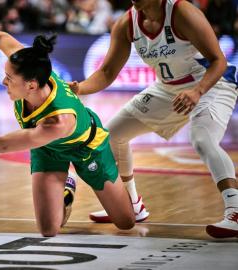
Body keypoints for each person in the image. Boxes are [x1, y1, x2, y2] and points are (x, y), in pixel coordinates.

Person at [0, 31, 136, 236]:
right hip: (47, 148)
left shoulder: (58, 121)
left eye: (9, 78)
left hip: (87, 149)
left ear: (31, 85)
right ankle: (66, 188)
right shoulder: (29, 66)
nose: (4, 81)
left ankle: (101, 187)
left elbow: (0, 144)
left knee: (126, 223)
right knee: (49, 230)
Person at [69, 0, 238, 238]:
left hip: (212, 83)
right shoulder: (127, 23)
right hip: (168, 88)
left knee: (202, 139)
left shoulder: (182, 12)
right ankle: (131, 203)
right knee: (112, 136)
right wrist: (79, 88)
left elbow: (218, 61)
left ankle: (235, 210)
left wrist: (197, 91)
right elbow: (107, 72)